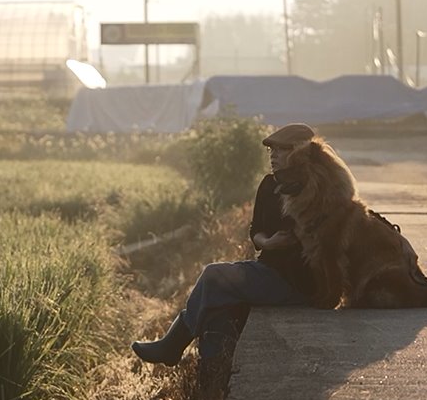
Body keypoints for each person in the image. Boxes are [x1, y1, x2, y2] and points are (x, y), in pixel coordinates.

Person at [132, 122, 318, 367]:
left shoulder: (314, 189)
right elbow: (256, 231)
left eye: (282, 151)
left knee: (214, 276)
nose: (274, 157)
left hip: (297, 283)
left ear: (300, 153)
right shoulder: (269, 185)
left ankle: (173, 344)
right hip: (268, 272)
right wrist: (268, 243)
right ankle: (213, 379)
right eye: (271, 151)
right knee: (218, 308)